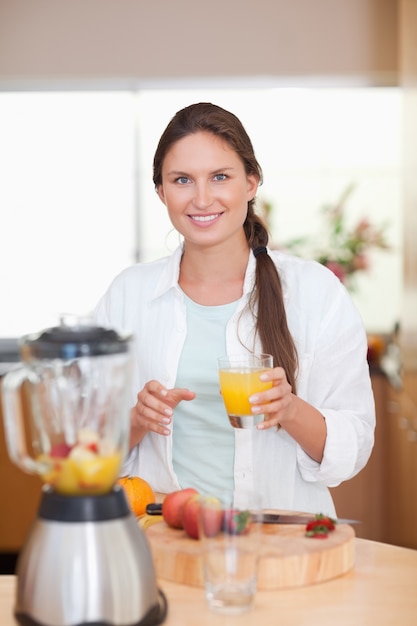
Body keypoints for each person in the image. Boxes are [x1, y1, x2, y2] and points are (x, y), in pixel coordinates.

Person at [94, 102, 375, 516]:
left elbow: (354, 448)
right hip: (165, 541)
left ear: (251, 183)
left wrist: (290, 409)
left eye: (220, 177)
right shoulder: (126, 296)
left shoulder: (315, 293)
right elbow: (85, 449)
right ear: (162, 192)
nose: (202, 198)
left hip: (283, 540)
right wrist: (137, 420)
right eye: (182, 180)